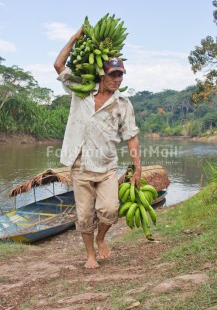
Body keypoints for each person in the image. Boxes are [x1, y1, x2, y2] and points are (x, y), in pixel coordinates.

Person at [54, 27, 141, 269]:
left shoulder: (123, 104)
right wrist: (73, 38)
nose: (117, 80)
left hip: (106, 166)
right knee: (83, 216)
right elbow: (59, 65)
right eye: (113, 75)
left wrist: (137, 167)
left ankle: (101, 238)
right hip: (80, 163)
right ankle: (90, 254)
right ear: (102, 74)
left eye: (120, 76)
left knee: (110, 210)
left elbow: (131, 137)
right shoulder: (81, 92)